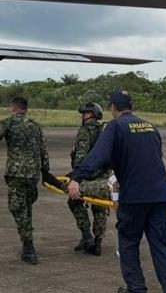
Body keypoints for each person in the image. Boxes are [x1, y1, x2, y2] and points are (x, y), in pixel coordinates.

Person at [68, 89, 166, 293]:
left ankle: (136, 289)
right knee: (161, 248)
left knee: (129, 243)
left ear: (113, 107)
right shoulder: (150, 126)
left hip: (135, 198)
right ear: (132, 107)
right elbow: (155, 158)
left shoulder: (116, 127)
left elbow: (97, 157)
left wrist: (76, 178)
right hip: (160, 196)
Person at [0, 97, 50, 265]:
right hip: (33, 174)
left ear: (13, 108)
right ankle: (28, 239)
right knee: (26, 207)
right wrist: (46, 171)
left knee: (17, 208)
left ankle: (28, 247)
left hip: (16, 174)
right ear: (26, 109)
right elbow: (43, 149)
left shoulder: (6, 123)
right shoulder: (35, 125)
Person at [67, 102, 110, 256]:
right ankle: (97, 243)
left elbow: (81, 156)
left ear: (91, 114)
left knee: (74, 200)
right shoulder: (105, 131)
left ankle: (87, 236)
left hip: (87, 177)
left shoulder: (85, 131)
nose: (82, 116)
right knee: (99, 208)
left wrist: (76, 176)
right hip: (104, 176)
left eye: (85, 113)